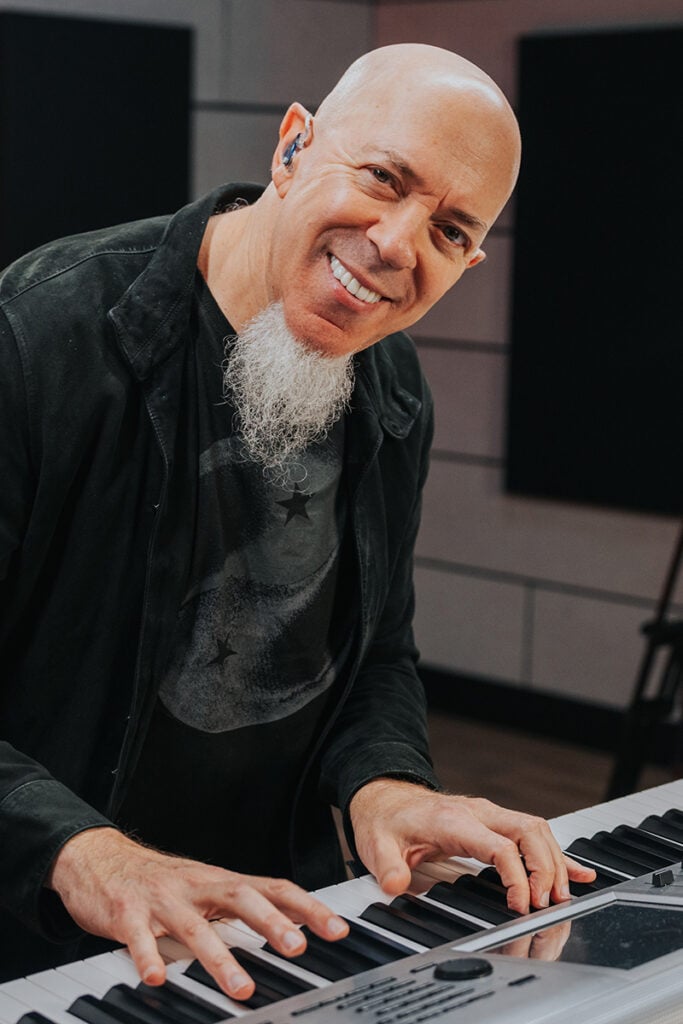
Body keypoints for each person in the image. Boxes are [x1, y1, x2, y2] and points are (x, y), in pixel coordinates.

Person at [0, 42, 595, 994]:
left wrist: (385, 784)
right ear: (291, 147)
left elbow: (375, 657)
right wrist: (85, 853)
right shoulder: (40, 334)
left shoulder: (392, 386)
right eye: (383, 178)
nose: (398, 245)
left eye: (449, 231)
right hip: (39, 949)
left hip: (275, 931)